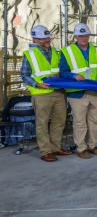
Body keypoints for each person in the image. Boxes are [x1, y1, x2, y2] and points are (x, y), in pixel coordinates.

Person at [21, 25, 71, 162]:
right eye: (43, 38)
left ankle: (56, 148)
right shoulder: (30, 54)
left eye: (47, 37)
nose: (46, 40)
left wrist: (59, 75)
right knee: (42, 123)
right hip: (41, 93)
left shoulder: (56, 52)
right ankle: (45, 151)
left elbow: (62, 69)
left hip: (59, 92)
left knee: (59, 121)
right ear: (35, 39)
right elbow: (24, 75)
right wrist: (37, 84)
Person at [59, 22, 97, 159]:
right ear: (76, 37)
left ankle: (93, 145)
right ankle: (81, 148)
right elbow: (63, 71)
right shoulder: (67, 51)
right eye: (81, 36)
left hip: (94, 91)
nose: (84, 38)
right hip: (77, 92)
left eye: (86, 36)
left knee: (95, 120)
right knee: (79, 122)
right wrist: (73, 76)